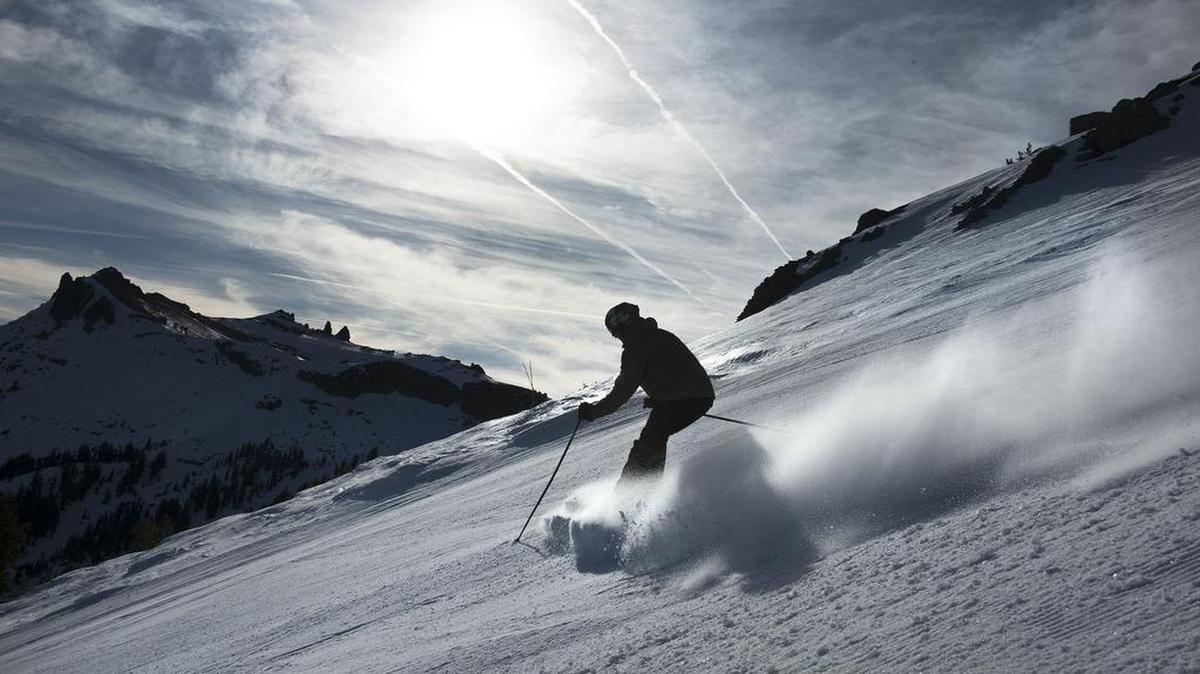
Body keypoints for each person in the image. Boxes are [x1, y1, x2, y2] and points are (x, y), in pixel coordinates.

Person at [579, 302, 715, 482]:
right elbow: (674, 369)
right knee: (655, 437)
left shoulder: (635, 347)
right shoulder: (660, 335)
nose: (617, 337)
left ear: (622, 325)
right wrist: (661, 397)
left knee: (648, 444)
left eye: (615, 332)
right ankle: (643, 494)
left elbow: (622, 391)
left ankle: (630, 498)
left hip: (680, 399)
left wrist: (593, 412)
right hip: (699, 396)